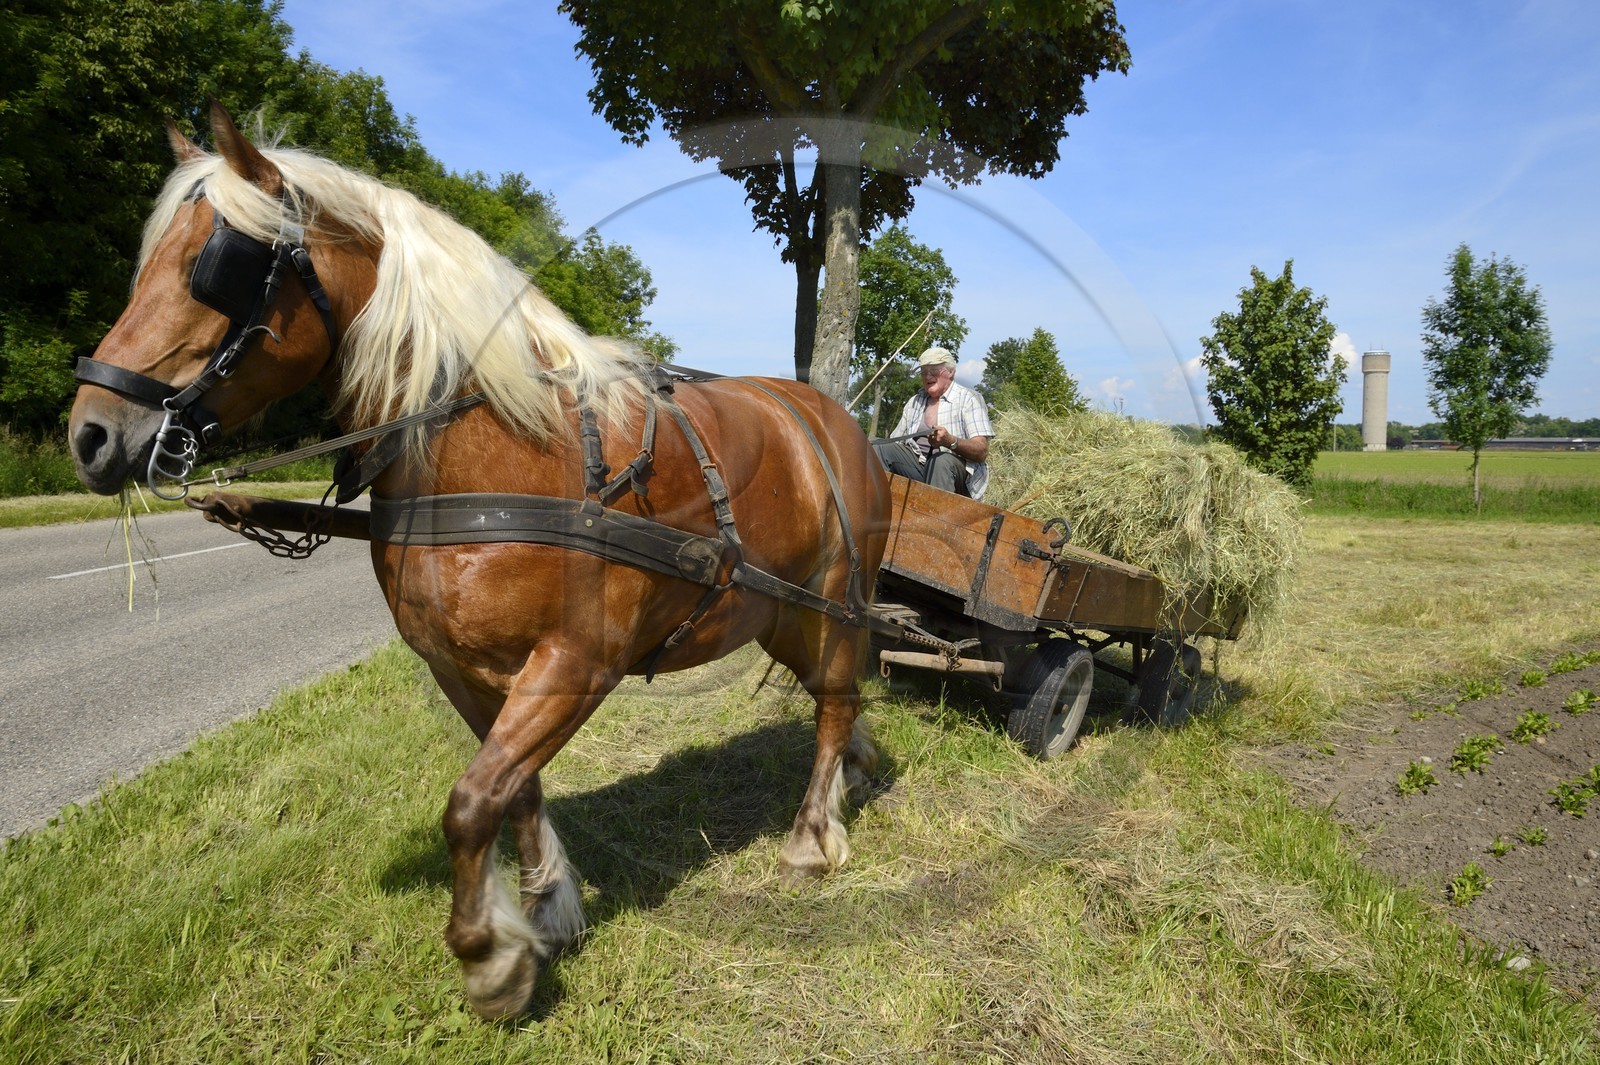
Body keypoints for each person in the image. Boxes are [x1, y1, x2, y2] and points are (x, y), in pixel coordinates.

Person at [873, 346, 994, 499]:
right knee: (878, 446)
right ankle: (881, 508)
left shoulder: (968, 399)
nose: (928, 376)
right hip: (919, 468)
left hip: (957, 476)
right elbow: (895, 442)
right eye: (924, 372)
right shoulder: (915, 402)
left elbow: (981, 451)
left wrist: (950, 441)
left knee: (940, 460)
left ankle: (935, 520)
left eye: (934, 370)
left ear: (950, 372)